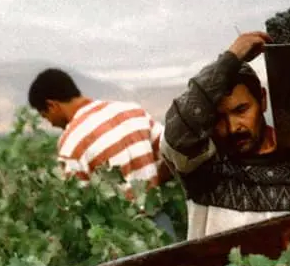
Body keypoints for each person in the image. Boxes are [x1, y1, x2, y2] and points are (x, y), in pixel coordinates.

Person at [160, 31, 290, 241]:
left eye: (241, 110)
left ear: (262, 100)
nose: (233, 127)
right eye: (219, 118)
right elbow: (177, 132)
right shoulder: (204, 168)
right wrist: (230, 58)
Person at [27, 68, 179, 239]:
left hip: (119, 238)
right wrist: (149, 185)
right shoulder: (132, 111)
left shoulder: (71, 142)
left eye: (46, 116)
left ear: (52, 105)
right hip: (160, 225)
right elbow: (174, 155)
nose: (51, 124)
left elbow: (79, 205)